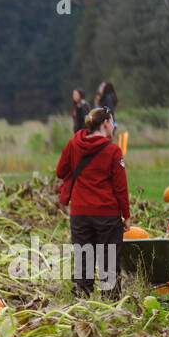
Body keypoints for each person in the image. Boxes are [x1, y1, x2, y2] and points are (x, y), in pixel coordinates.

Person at [55, 106, 129, 299]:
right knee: (109, 262)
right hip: (107, 215)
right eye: (113, 123)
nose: (113, 127)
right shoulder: (113, 151)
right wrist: (126, 215)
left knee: (83, 262)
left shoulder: (74, 144)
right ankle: (110, 306)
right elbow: (121, 188)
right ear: (105, 123)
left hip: (79, 213)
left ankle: (81, 304)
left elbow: (60, 172)